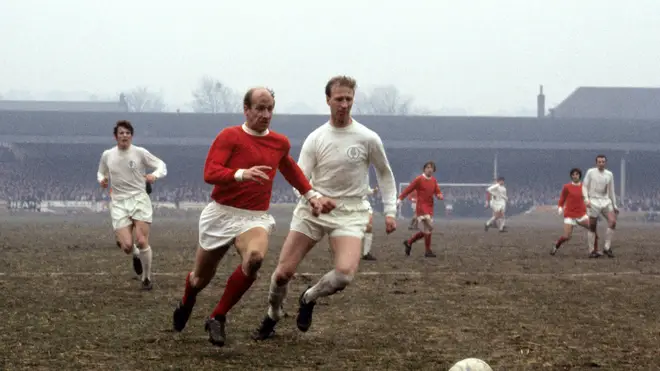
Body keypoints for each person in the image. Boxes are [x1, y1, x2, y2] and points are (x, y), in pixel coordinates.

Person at [171, 87, 335, 347]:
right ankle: (187, 301)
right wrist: (240, 174)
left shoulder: (279, 142)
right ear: (246, 110)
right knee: (200, 279)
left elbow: (290, 168)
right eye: (259, 108)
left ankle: (217, 316)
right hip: (221, 214)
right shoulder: (230, 136)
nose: (265, 114)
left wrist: (311, 195)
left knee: (255, 259)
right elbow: (210, 172)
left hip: (254, 217)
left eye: (270, 108)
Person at [252, 75, 397, 341]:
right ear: (328, 100)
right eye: (339, 99)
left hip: (350, 213)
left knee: (344, 275)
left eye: (348, 99)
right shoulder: (316, 138)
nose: (344, 104)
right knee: (283, 273)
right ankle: (272, 314)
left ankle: (309, 297)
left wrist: (390, 211)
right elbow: (299, 178)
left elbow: (385, 174)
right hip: (313, 210)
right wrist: (314, 198)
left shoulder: (368, 138)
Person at [97, 120, 167, 290]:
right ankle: (135, 254)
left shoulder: (140, 152)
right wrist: (102, 180)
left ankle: (146, 279)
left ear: (131, 136)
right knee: (127, 246)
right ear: (116, 136)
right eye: (121, 133)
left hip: (139, 199)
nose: (125, 136)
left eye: (128, 133)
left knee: (142, 240)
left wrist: (154, 175)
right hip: (119, 202)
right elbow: (101, 171)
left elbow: (161, 165)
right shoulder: (107, 155)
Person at [398, 161, 443, 258]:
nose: (429, 169)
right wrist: (400, 198)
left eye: (431, 168)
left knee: (426, 230)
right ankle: (427, 250)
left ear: (434, 170)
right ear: (424, 169)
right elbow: (408, 189)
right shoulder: (419, 179)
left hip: (429, 207)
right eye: (427, 167)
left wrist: (439, 195)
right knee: (430, 227)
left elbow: (437, 191)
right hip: (421, 207)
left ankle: (410, 243)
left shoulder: (434, 180)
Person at [551, 168, 594, 256]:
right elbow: (562, 198)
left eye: (577, 174)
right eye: (573, 174)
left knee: (592, 229)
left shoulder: (584, 187)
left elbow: (587, 199)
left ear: (579, 175)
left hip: (581, 214)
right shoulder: (567, 187)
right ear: (571, 176)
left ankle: (593, 251)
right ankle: (556, 246)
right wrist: (560, 207)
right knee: (567, 237)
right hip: (570, 215)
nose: (575, 176)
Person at [583, 154, 618, 258]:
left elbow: (611, 190)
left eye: (603, 162)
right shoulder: (590, 172)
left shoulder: (609, 174)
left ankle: (607, 247)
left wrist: (614, 204)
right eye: (599, 162)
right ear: (596, 163)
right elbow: (584, 186)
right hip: (593, 201)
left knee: (613, 222)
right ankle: (591, 251)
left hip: (606, 201)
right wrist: (586, 199)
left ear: (605, 163)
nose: (601, 163)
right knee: (592, 226)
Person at [362, 185, 379, 261]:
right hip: (352, 204)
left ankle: (366, 253)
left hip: (364, 204)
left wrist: (373, 191)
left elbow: (367, 190)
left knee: (369, 227)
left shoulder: (363, 177)